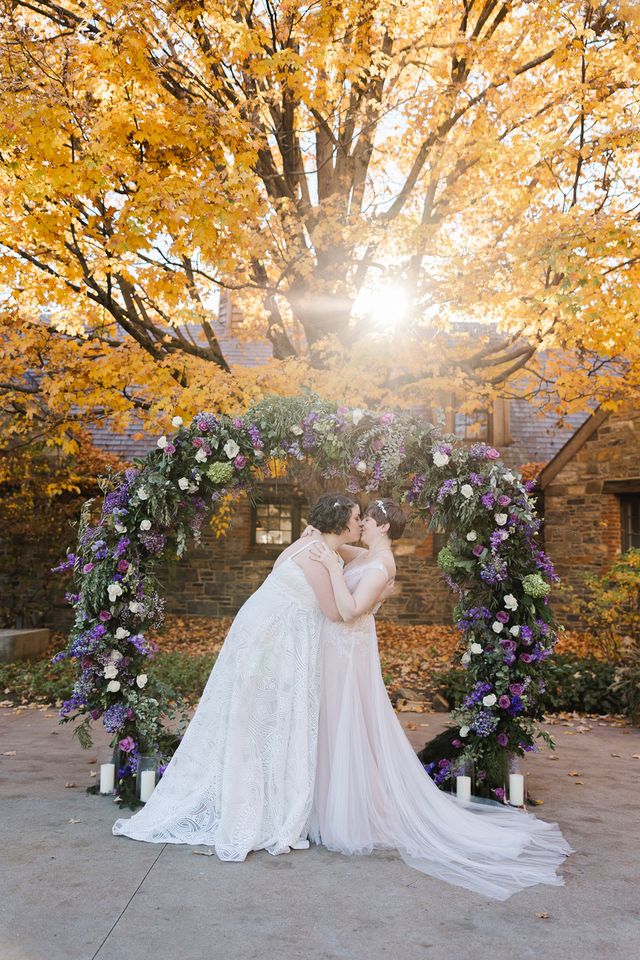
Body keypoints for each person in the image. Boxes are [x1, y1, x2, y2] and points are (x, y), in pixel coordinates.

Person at [308, 497, 573, 900]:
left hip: (349, 653)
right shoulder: (367, 554)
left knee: (351, 724)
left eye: (367, 520)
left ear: (383, 527)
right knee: (338, 724)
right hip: (340, 653)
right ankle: (328, 803)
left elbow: (348, 611)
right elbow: (335, 544)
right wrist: (322, 542)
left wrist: (329, 568)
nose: (359, 524)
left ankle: (352, 813)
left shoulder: (382, 567)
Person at [112, 493, 361, 860]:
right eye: (356, 517)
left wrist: (339, 553)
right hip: (270, 643)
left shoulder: (317, 545)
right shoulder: (315, 555)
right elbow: (335, 612)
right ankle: (252, 805)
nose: (360, 523)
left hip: (272, 637)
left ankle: (265, 792)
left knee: (265, 720)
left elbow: (352, 556)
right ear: (340, 523)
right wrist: (338, 569)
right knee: (260, 720)